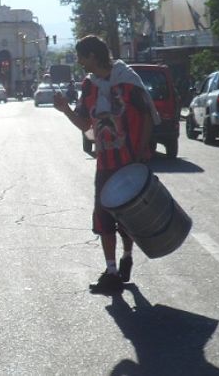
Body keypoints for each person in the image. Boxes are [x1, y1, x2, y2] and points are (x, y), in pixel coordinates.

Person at [53, 35, 160, 294]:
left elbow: (146, 115)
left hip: (130, 161)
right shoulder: (89, 87)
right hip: (106, 163)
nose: (79, 61)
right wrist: (65, 109)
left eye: (81, 56)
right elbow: (85, 125)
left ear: (92, 56)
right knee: (103, 216)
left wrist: (143, 152)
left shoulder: (127, 80)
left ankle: (126, 257)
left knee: (129, 216)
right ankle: (111, 271)